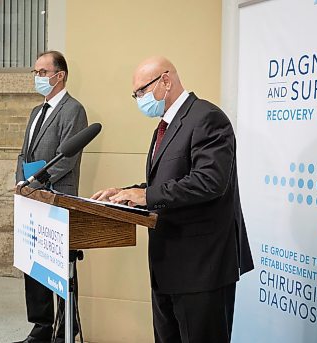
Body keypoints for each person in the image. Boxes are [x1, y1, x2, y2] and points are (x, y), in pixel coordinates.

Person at [91, 56, 254, 343]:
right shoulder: (164, 126)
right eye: (135, 95)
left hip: (202, 267)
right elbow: (165, 184)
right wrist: (126, 192)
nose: (139, 99)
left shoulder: (207, 118)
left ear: (166, 81)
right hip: (167, 266)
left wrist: (147, 195)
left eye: (141, 91)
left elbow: (210, 181)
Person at [14, 50, 88, 343]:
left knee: (59, 268)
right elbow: (24, 153)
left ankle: (65, 330)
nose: (38, 78)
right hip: (32, 199)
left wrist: (35, 184)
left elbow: (66, 159)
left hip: (58, 198)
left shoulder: (73, 110)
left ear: (60, 75)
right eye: (35, 73)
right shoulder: (36, 111)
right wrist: (21, 183)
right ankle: (41, 327)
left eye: (43, 72)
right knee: (34, 266)